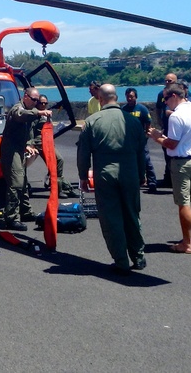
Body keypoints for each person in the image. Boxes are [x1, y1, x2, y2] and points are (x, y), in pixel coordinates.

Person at [77, 84, 147, 274]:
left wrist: (83, 176)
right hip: (130, 172)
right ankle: (138, 256)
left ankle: (121, 260)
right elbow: (142, 152)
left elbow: (83, 153)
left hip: (106, 174)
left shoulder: (92, 121)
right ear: (116, 98)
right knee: (132, 214)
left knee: (111, 218)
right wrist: (142, 175)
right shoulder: (132, 122)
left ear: (100, 99)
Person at [147, 83, 191, 253]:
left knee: (183, 203)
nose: (165, 102)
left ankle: (186, 243)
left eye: (166, 98)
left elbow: (171, 144)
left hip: (182, 161)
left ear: (174, 96)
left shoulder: (176, 116)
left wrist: (156, 137)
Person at [0, 88, 51, 231]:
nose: (36, 103)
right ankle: (11, 218)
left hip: (19, 149)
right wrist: (39, 112)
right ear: (26, 96)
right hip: (11, 150)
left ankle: (25, 211)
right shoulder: (18, 109)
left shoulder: (30, 113)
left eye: (37, 101)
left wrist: (28, 144)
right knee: (16, 183)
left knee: (23, 182)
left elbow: (27, 132)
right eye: (34, 100)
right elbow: (20, 115)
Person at [34, 95, 79, 198]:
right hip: (40, 143)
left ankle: (66, 188)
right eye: (41, 103)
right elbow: (30, 131)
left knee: (55, 165)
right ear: (37, 103)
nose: (44, 105)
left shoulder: (46, 113)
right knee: (58, 161)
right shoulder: (34, 114)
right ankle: (58, 190)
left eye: (46, 103)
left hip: (48, 141)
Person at [121, 87, 156, 193]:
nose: (129, 98)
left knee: (146, 161)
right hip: (128, 140)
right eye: (127, 96)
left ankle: (152, 183)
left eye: (131, 96)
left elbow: (148, 121)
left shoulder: (142, 109)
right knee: (129, 161)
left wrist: (146, 134)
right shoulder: (123, 109)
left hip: (140, 140)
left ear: (136, 97)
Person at [154, 73, 179, 188]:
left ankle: (175, 179)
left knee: (175, 154)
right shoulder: (161, 94)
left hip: (177, 128)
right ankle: (168, 178)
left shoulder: (180, 92)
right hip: (167, 128)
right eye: (166, 81)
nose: (168, 83)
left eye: (170, 81)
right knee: (167, 154)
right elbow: (158, 108)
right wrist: (159, 121)